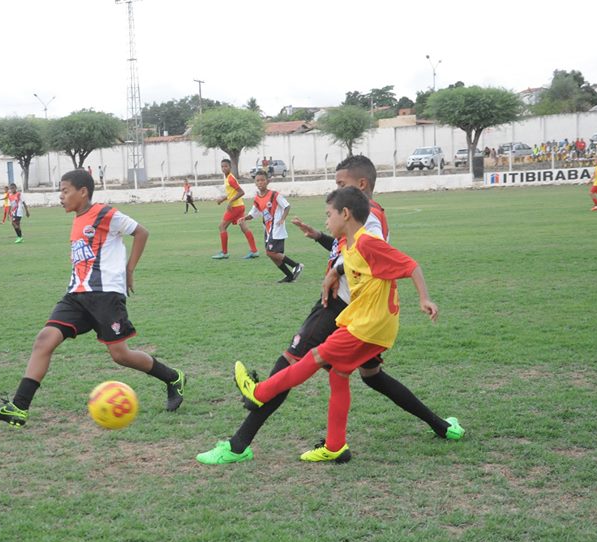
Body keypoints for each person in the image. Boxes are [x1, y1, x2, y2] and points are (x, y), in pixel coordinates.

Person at [196, 155, 462, 465]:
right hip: (359, 312)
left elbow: (375, 253)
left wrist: (336, 272)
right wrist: (324, 244)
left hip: (346, 308)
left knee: (294, 360)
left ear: (360, 186)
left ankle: (241, 437)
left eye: (340, 184)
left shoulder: (369, 220)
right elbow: (351, 252)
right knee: (364, 375)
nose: (335, 190)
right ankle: (438, 427)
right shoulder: (361, 222)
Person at [0, 169, 186, 428]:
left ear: (83, 192)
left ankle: (173, 377)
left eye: (65, 191)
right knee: (44, 340)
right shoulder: (77, 220)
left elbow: (141, 232)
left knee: (120, 355)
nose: (60, 196)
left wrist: (129, 270)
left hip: (106, 295)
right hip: (76, 295)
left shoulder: (104, 213)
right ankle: (19, 408)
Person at [244, 170, 302, 282]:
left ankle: (296, 265)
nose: (260, 182)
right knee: (272, 254)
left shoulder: (274, 195)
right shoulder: (257, 198)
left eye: (262, 180)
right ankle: (289, 276)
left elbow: (287, 206)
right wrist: (244, 218)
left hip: (276, 228)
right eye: (258, 180)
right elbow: (254, 213)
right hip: (267, 229)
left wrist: (282, 219)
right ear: (255, 183)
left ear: (267, 181)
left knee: (270, 252)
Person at [212, 158, 259, 259]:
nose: (224, 168)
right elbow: (232, 193)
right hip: (240, 206)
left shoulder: (230, 179)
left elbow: (241, 192)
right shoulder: (228, 178)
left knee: (222, 227)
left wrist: (230, 202)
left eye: (226, 166)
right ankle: (254, 251)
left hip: (235, 207)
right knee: (244, 227)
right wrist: (223, 199)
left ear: (230, 167)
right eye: (222, 166)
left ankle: (224, 253)